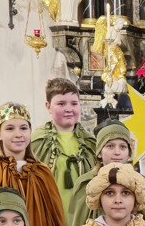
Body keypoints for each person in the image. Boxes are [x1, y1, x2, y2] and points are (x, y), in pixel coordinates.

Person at [68, 121, 145, 226]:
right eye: (110, 146)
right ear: (99, 152)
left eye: (123, 147)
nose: (117, 152)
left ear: (128, 153)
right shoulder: (85, 183)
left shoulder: (141, 183)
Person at [31, 78, 97, 212]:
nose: (69, 109)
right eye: (61, 104)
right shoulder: (36, 140)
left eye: (74, 103)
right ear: (48, 106)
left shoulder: (90, 142)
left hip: (83, 214)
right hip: (49, 213)